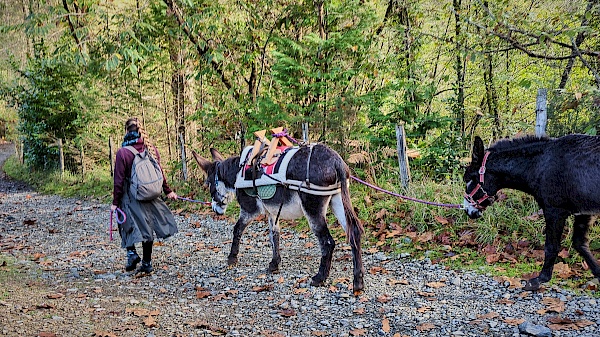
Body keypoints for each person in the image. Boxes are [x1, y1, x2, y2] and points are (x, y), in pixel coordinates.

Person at [111, 117, 178, 273]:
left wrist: (115, 202)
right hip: (152, 194)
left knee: (126, 223)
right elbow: (160, 171)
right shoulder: (150, 148)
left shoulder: (123, 152)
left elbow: (118, 180)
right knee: (148, 228)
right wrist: (168, 191)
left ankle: (132, 253)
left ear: (126, 131)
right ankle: (147, 263)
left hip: (131, 195)